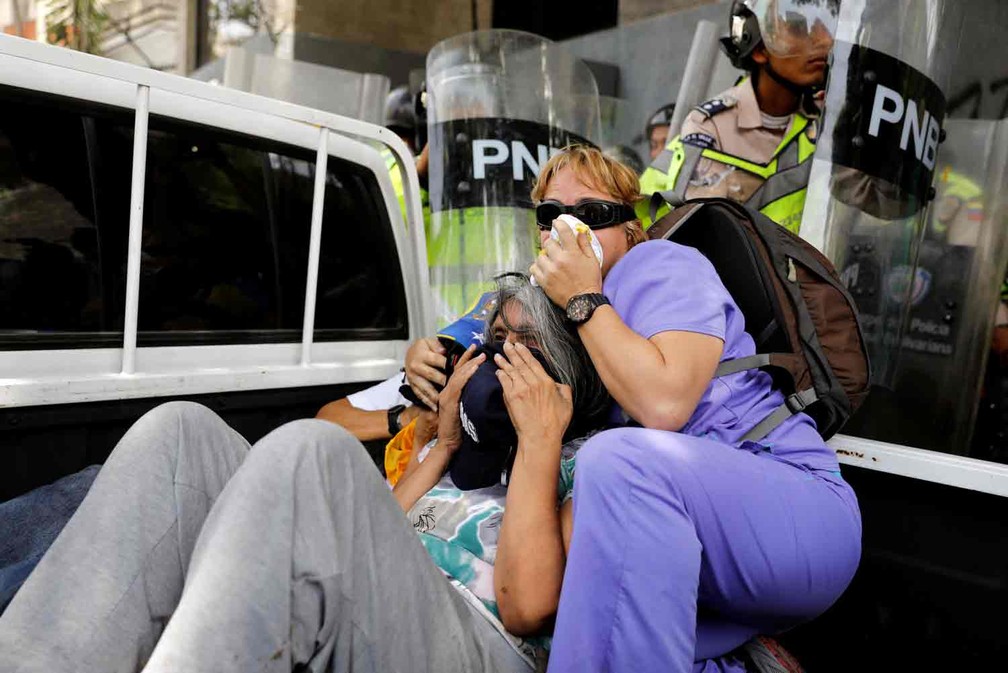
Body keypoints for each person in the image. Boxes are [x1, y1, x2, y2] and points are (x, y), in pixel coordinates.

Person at [0, 275, 607, 673]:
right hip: (379, 607)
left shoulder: (588, 461)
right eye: (496, 338)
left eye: (526, 344)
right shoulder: (460, 443)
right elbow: (379, 534)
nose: (501, 358)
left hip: (474, 646)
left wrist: (540, 440)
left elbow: (526, 608)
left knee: (312, 453)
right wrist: (442, 447)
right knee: (182, 434)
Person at [519, 145, 860, 672]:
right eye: (551, 214)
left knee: (618, 465)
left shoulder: (660, 263)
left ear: (631, 229)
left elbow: (665, 402)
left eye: (591, 213)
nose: (568, 226)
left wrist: (584, 296)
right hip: (707, 538)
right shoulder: (564, 314)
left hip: (795, 506)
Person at [639, 0, 837, 234]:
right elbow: (702, 235)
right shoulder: (711, 126)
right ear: (759, 48)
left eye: (828, 25)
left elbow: (876, 205)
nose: (824, 40)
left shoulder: (828, 120)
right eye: (797, 27)